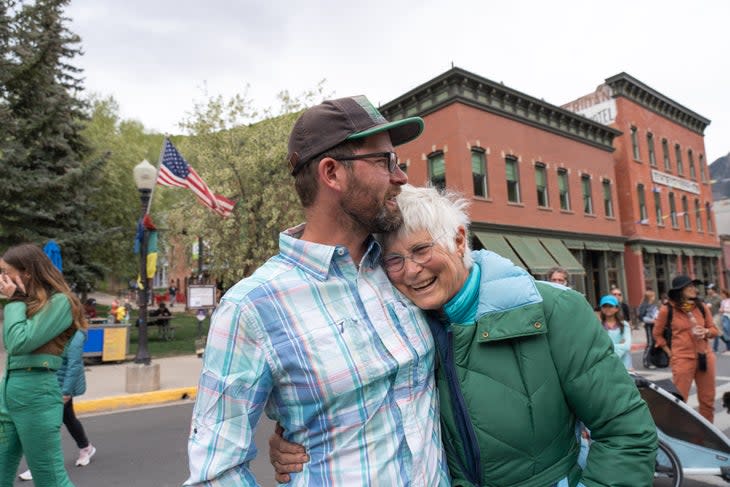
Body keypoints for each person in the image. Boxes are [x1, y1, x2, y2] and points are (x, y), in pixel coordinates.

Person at [271, 185, 657, 486]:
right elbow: (356, 403)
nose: (411, 271)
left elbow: (626, 433)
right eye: (394, 259)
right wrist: (293, 437)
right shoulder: (400, 328)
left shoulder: (556, 310)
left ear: (458, 240)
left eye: (421, 249)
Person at [184, 96, 450, 485]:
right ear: (332, 173)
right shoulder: (251, 308)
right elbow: (216, 471)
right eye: (385, 162)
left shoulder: (402, 269)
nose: (402, 177)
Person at [0, 243, 86, 486]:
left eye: (6, 271)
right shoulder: (28, 303)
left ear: (26, 272)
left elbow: (18, 342)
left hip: (37, 393)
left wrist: (15, 299)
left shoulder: (62, 303)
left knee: (49, 477)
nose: (2, 278)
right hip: (9, 391)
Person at [18, 329, 97, 481]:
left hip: (62, 387)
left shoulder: (76, 335)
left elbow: (74, 365)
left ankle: (39, 467)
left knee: (45, 425)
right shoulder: (53, 329)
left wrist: (66, 392)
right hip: (50, 383)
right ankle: (86, 447)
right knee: (69, 419)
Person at [653, 275, 719, 423]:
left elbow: (714, 330)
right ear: (679, 291)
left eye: (694, 286)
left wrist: (706, 332)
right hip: (682, 359)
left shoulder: (701, 307)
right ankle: (679, 436)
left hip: (705, 357)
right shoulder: (667, 309)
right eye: (689, 287)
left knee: (708, 401)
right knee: (679, 401)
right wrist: (670, 353)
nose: (694, 289)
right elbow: (657, 334)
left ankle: (707, 439)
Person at [598, 294, 633, 370]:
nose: (607, 308)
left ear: (616, 308)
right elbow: (598, 348)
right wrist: (619, 345)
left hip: (625, 365)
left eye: (610, 306)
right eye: (604, 306)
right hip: (606, 366)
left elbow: (627, 346)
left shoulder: (625, 325)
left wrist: (608, 348)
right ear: (601, 308)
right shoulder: (598, 326)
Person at [637, 288, 659, 368]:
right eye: (653, 296)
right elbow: (642, 317)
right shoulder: (644, 306)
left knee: (653, 343)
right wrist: (653, 321)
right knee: (650, 343)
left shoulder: (652, 305)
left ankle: (652, 360)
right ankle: (646, 362)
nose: (654, 298)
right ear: (650, 297)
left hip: (654, 326)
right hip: (649, 326)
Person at [706, 284, 724, 352]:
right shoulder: (707, 298)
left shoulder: (718, 298)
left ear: (713, 290)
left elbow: (722, 306)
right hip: (710, 316)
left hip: (717, 315)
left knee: (716, 330)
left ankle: (715, 348)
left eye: (709, 289)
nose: (708, 290)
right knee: (719, 332)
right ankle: (728, 342)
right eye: (707, 289)